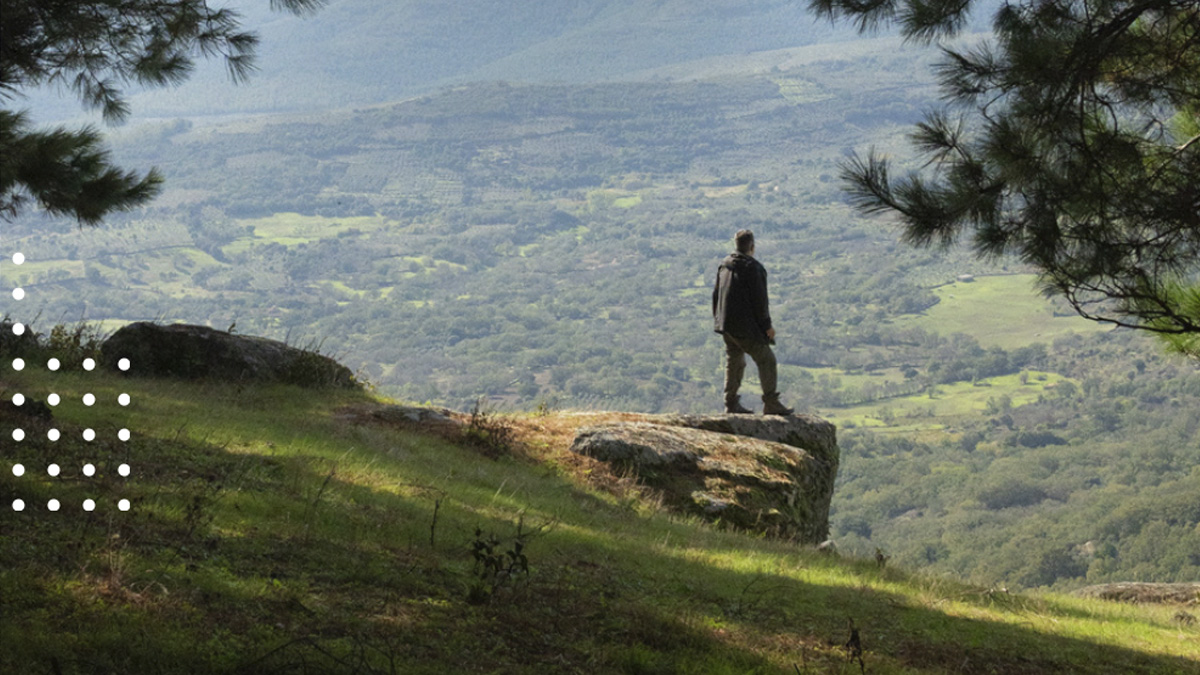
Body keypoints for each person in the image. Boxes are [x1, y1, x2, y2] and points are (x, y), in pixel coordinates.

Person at [712, 229, 793, 415]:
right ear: (752, 246)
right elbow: (760, 301)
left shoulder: (724, 265)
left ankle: (730, 403)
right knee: (767, 359)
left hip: (726, 325)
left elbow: (716, 295)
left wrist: (718, 321)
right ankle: (770, 402)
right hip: (744, 326)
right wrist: (767, 327)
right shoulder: (753, 268)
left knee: (735, 360)